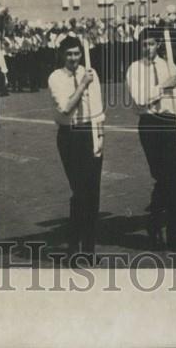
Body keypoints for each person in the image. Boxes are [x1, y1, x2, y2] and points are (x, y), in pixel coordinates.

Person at [126, 29, 176, 252]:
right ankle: (154, 223)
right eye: (144, 44)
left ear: (158, 44)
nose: (148, 48)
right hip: (150, 124)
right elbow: (140, 98)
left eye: (151, 44)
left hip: (169, 122)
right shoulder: (134, 69)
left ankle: (173, 232)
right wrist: (163, 86)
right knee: (162, 177)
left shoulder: (169, 66)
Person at [49, 36, 105, 264]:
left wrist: (100, 135)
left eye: (77, 53)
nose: (73, 58)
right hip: (70, 136)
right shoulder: (56, 77)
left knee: (93, 194)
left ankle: (89, 250)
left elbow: (98, 106)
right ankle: (73, 247)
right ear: (62, 55)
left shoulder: (90, 72)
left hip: (91, 132)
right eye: (69, 54)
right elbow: (65, 108)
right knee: (80, 193)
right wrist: (82, 85)